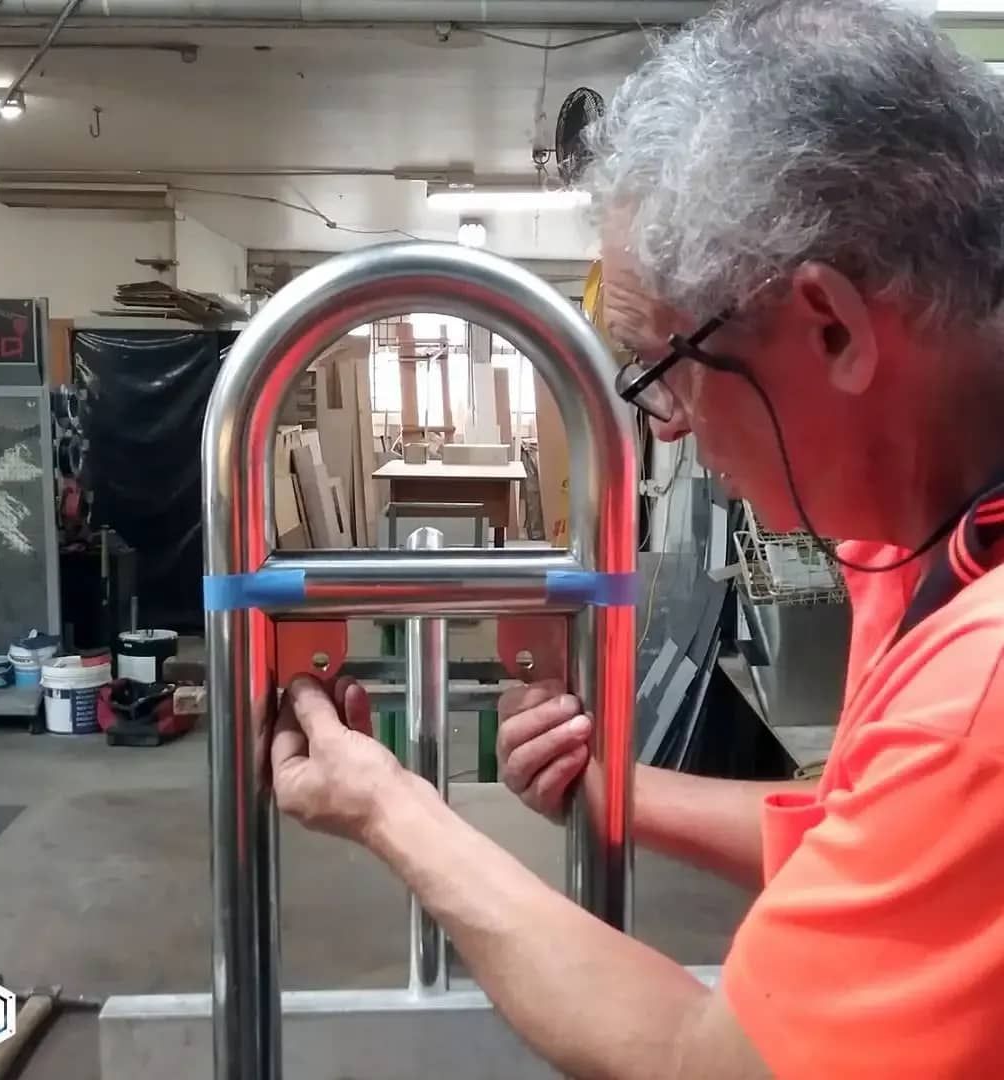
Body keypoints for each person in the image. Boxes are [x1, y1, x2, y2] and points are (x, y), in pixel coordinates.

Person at [270, 1, 1004, 1076]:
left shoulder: (980, 690)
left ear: (832, 326)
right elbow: (881, 826)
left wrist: (391, 809)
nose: (667, 429)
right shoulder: (910, 542)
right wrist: (611, 787)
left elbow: (697, 1059)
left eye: (666, 369)